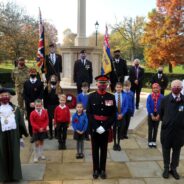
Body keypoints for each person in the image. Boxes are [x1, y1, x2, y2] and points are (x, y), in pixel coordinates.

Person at [86, 75, 116, 179]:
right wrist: (95, 126)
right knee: (94, 150)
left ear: (107, 84)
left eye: (104, 83)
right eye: (100, 83)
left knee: (104, 150)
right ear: (96, 84)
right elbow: (89, 113)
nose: (102, 85)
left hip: (106, 128)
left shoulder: (111, 97)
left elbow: (113, 114)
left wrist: (106, 126)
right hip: (94, 128)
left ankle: (102, 169)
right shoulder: (91, 96)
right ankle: (95, 169)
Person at [0, 88, 28, 182]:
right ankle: (4, 177)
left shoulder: (15, 109)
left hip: (14, 136)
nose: (5, 97)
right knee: (2, 155)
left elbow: (20, 122)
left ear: (10, 97)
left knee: (14, 155)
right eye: (3, 96)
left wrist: (23, 134)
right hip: (1, 137)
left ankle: (15, 175)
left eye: (7, 95)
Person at [160, 80, 184, 180]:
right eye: (175, 86)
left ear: (182, 88)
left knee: (176, 151)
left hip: (179, 132)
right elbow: (161, 114)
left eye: (179, 86)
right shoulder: (165, 99)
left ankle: (173, 168)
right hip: (167, 131)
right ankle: (166, 168)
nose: (177, 88)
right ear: (171, 87)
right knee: (166, 149)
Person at [23, 68, 44, 143]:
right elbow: (24, 94)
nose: (32, 73)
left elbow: (41, 94)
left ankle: (38, 134)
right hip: (29, 105)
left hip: (37, 105)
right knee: (30, 119)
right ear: (29, 73)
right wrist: (30, 102)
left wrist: (36, 103)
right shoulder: (26, 83)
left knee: (38, 119)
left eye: (34, 72)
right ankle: (32, 135)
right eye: (31, 72)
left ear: (36, 73)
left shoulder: (40, 83)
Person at [43, 75, 63, 139]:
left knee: (56, 121)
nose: (53, 80)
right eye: (52, 79)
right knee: (50, 121)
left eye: (54, 79)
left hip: (57, 106)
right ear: (50, 80)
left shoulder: (59, 88)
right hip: (49, 106)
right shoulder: (47, 88)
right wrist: (45, 106)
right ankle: (51, 134)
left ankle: (56, 134)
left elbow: (61, 97)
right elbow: (45, 98)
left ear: (56, 80)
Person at [146, 83, 164, 148]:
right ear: (152, 89)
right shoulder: (150, 96)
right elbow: (148, 106)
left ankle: (154, 141)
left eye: (156, 88)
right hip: (151, 114)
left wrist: (159, 115)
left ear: (159, 88)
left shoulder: (162, 97)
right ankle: (149, 141)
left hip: (158, 114)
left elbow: (162, 107)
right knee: (150, 128)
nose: (155, 89)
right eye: (154, 88)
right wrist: (151, 115)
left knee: (156, 128)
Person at [113, 82, 128, 151]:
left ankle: (118, 144)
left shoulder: (125, 96)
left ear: (122, 88)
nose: (118, 88)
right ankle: (114, 143)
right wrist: (116, 114)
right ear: (115, 88)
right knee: (114, 130)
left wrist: (122, 114)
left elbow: (126, 106)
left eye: (120, 87)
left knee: (119, 130)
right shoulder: (112, 96)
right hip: (114, 116)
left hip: (122, 115)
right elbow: (112, 107)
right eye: (117, 87)